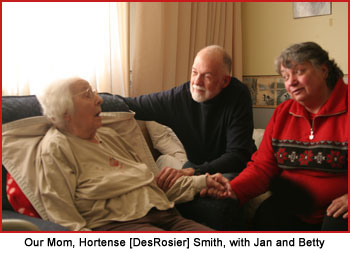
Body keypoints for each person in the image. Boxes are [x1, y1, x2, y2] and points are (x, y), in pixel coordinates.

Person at [32, 77, 226, 231]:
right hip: (120, 225)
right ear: (65, 112)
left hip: (167, 215)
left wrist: (203, 181)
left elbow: (152, 183)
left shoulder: (109, 135)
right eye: (87, 94)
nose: (99, 99)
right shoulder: (56, 148)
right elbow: (62, 214)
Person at [204, 42, 348, 231]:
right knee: (266, 216)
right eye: (286, 76)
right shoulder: (283, 113)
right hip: (294, 206)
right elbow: (263, 168)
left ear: (324, 70)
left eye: (299, 72)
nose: (291, 82)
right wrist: (232, 188)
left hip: (338, 208)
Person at [122, 45, 256, 230]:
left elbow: (238, 155)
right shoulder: (179, 97)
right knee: (167, 192)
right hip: (196, 167)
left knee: (223, 207)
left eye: (207, 76)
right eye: (194, 72)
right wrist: (93, 99)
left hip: (232, 167)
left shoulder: (237, 94)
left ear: (225, 81)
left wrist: (194, 172)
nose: (197, 81)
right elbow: (130, 104)